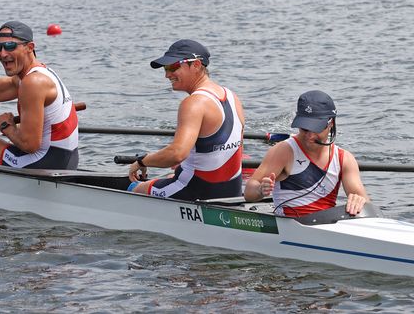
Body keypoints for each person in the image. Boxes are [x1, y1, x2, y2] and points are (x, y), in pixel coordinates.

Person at [128, 39, 245, 201]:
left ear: (196, 65)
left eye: (173, 67)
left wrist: (142, 161)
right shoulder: (232, 96)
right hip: (231, 193)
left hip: (196, 193)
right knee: (172, 174)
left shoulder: (194, 103)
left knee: (134, 188)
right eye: (165, 68)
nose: (167, 74)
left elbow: (176, 154)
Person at [0, 21, 79, 169]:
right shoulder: (35, 75)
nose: (3, 54)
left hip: (46, 162)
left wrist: (7, 126)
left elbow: (29, 145)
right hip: (66, 160)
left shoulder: (33, 82)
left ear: (29, 47)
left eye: (10, 46)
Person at [244, 90, 369, 217]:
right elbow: (249, 192)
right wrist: (260, 190)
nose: (309, 136)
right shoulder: (284, 151)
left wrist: (358, 201)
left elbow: (365, 204)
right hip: (289, 226)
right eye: (304, 128)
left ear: (330, 124)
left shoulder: (344, 159)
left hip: (326, 226)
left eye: (315, 128)